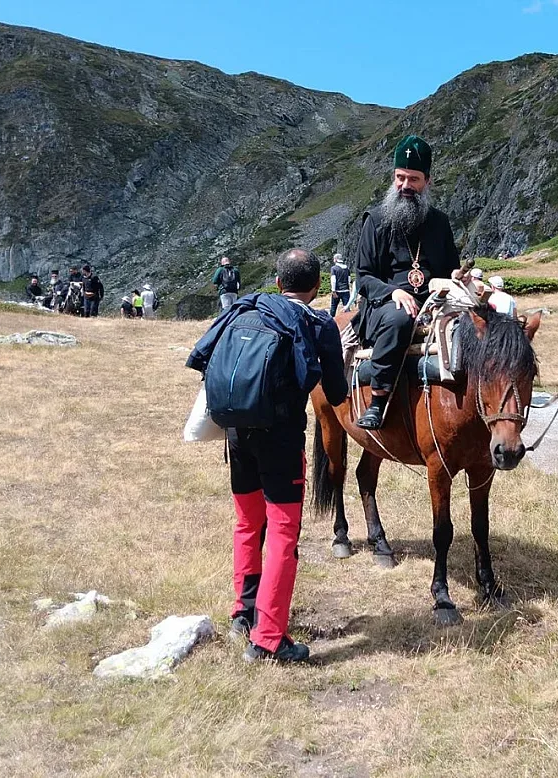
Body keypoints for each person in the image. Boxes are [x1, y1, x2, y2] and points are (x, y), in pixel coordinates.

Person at [187, 248, 347, 663]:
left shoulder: (245, 310)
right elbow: (334, 394)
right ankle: (269, 638)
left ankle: (243, 612)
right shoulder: (317, 321)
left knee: (247, 522)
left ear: (278, 282)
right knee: (281, 533)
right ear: (316, 288)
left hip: (236, 434)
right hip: (280, 440)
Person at [353, 134, 465, 429]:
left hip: (434, 302)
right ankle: (378, 400)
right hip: (384, 306)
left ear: (427, 181)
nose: (405, 186)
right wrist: (393, 293)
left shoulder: (439, 223)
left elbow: (449, 269)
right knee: (401, 317)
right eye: (400, 178)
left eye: (413, 179)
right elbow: (363, 277)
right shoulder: (376, 220)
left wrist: (454, 277)